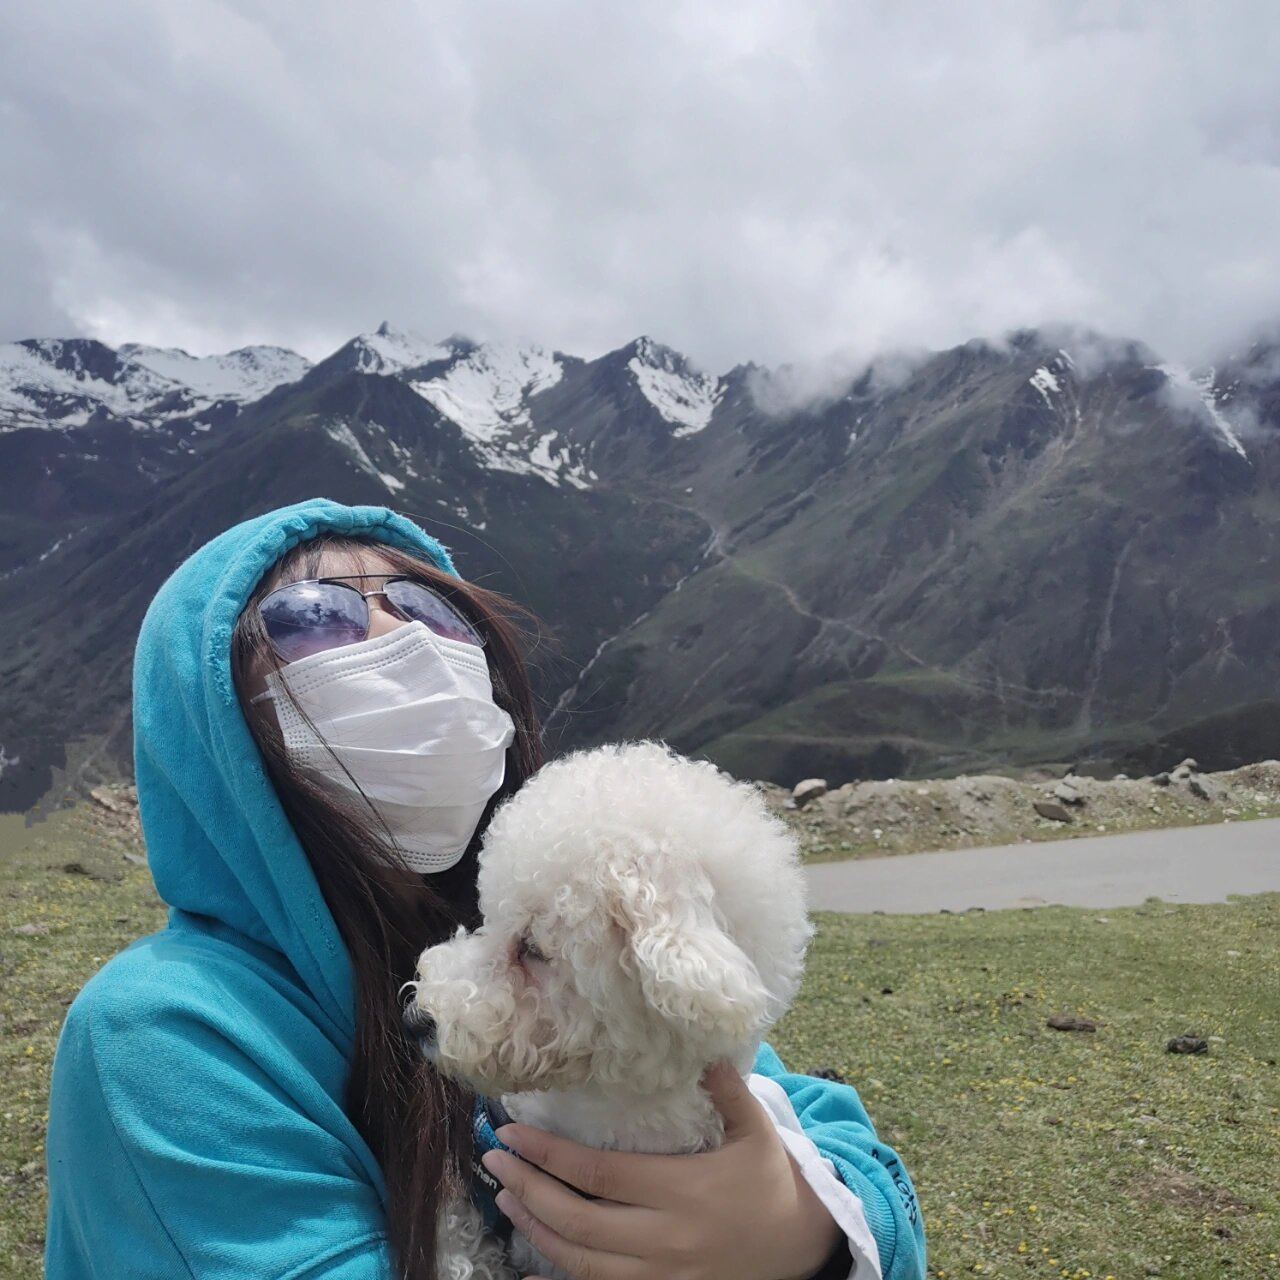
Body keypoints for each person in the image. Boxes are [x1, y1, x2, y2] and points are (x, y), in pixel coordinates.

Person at [44, 497, 926, 1280]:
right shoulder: (164, 1034)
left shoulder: (582, 951)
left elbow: (825, 1135)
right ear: (211, 722)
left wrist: (809, 1228)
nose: (408, 642)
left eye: (436, 611)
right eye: (315, 617)